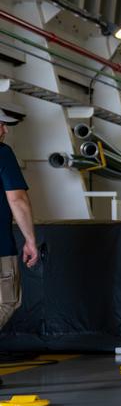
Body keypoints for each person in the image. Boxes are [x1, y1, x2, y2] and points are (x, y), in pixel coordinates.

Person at [0, 111, 39, 388]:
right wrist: (30, 240)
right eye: (0, 125)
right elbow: (17, 199)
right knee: (7, 300)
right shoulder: (2, 153)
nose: (4, 131)